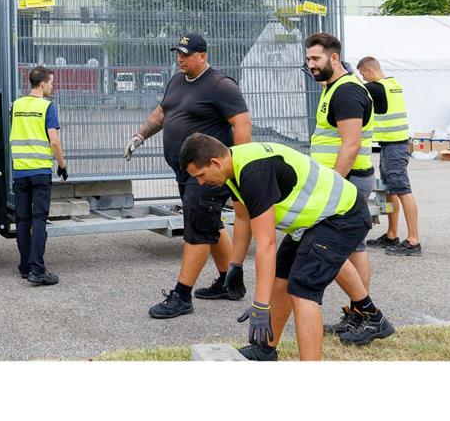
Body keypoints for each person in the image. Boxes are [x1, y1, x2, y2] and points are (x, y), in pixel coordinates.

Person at [179, 135, 395, 360]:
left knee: (302, 289)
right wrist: (236, 265)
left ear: (215, 162)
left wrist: (260, 305)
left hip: (342, 216)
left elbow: (266, 243)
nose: (201, 183)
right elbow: (243, 219)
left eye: (201, 175)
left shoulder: (253, 173)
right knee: (281, 278)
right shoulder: (233, 167)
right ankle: (265, 350)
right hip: (314, 220)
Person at [125, 32, 254, 318]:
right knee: (210, 225)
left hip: (210, 173)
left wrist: (242, 165)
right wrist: (140, 135)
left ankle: (182, 296)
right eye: (178, 53)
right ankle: (229, 282)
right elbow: (162, 112)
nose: (180, 59)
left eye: (186, 54)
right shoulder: (177, 81)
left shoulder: (220, 85)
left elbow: (242, 122)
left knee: (197, 231)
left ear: (202, 56)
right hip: (187, 172)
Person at [305, 32, 394, 343]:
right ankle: (359, 314)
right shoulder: (336, 88)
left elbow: (351, 144)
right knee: (355, 247)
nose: (310, 65)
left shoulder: (345, 93)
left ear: (333, 58)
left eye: (315, 59)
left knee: (331, 247)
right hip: (348, 180)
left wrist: (332, 185)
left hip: (347, 181)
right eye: (308, 59)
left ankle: (367, 314)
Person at [10, 65, 68, 286]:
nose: (52, 87)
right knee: (39, 220)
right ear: (42, 84)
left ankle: (25, 266)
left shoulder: (16, 105)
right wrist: (61, 165)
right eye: (51, 83)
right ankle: (37, 269)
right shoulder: (47, 107)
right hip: (40, 172)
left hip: (20, 171)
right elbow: (54, 141)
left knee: (23, 220)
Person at [357, 56, 421, 256]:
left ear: (369, 71)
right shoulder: (393, 84)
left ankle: (413, 241)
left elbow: (353, 88)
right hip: (393, 146)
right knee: (391, 190)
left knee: (402, 189)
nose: (363, 78)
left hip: (395, 148)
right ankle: (392, 234)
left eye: (363, 74)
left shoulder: (377, 88)